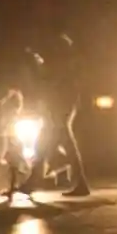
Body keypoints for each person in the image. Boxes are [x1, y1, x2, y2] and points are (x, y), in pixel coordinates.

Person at [25, 34, 91, 197]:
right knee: (50, 140)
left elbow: (51, 80)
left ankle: (35, 181)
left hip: (60, 102)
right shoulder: (64, 62)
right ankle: (34, 180)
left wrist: (38, 62)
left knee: (56, 138)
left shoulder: (61, 64)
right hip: (61, 102)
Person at [0, 88, 25, 198]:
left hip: (13, 142)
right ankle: (14, 187)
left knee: (13, 167)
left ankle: (14, 187)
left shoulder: (11, 115)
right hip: (13, 141)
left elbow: (9, 132)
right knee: (14, 167)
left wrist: (7, 148)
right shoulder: (13, 115)